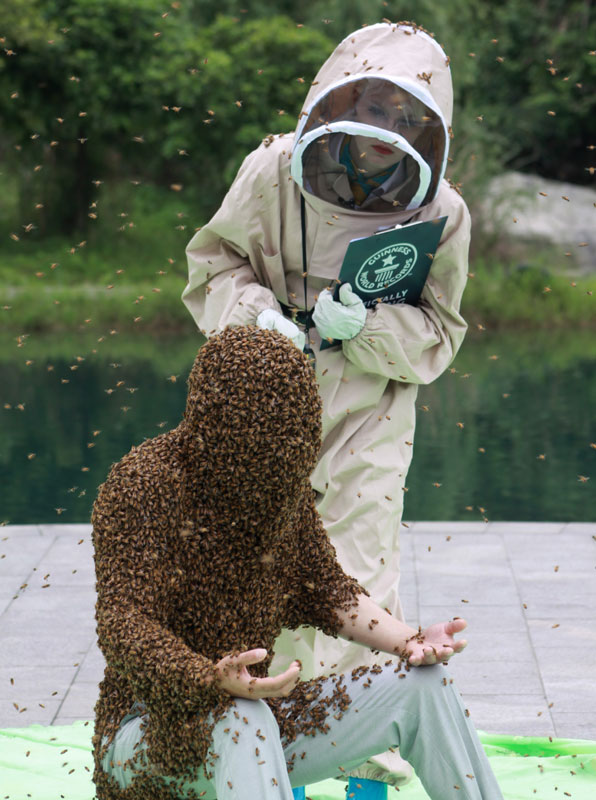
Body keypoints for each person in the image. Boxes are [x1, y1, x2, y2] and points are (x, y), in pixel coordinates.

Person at [182, 20, 472, 797]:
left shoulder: (443, 210)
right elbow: (212, 262)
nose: (378, 146)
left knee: (356, 579)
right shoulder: (272, 169)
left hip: (369, 413)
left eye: (398, 131)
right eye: (368, 119)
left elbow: (440, 336)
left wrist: (369, 327)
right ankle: (278, 762)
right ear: (334, 106)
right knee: (258, 574)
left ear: (424, 130)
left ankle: (367, 774)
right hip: (261, 402)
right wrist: (254, 315)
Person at [92, 327, 503, 800]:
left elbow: (328, 591)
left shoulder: (280, 487)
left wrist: (409, 641)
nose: (274, 470)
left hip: (258, 717)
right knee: (240, 715)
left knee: (423, 685)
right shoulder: (142, 483)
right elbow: (123, 624)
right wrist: (208, 678)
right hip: (143, 731)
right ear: (214, 426)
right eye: (259, 449)